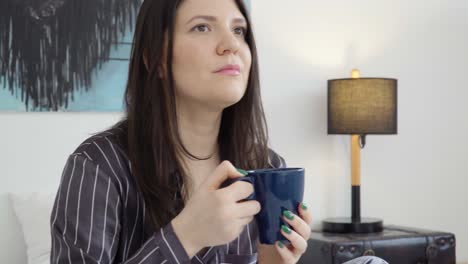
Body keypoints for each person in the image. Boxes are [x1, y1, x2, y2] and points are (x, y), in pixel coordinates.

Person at [50, 0, 388, 263]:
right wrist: (184, 237)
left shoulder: (267, 166)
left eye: (239, 31)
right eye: (201, 28)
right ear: (155, 58)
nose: (231, 45)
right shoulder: (98, 165)